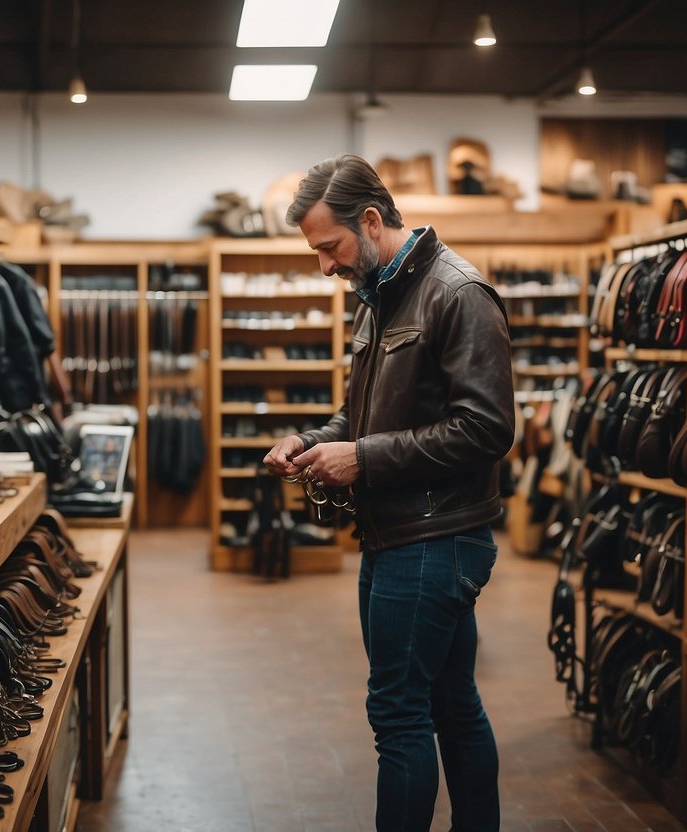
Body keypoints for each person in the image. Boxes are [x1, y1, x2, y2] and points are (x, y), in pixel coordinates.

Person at [263, 154, 515, 831]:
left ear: (370, 221)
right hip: (401, 533)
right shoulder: (381, 294)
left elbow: (487, 430)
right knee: (450, 702)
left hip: (435, 538)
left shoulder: (456, 293)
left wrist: (364, 459)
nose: (324, 266)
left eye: (329, 248)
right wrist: (315, 441)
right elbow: (367, 414)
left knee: (398, 713)